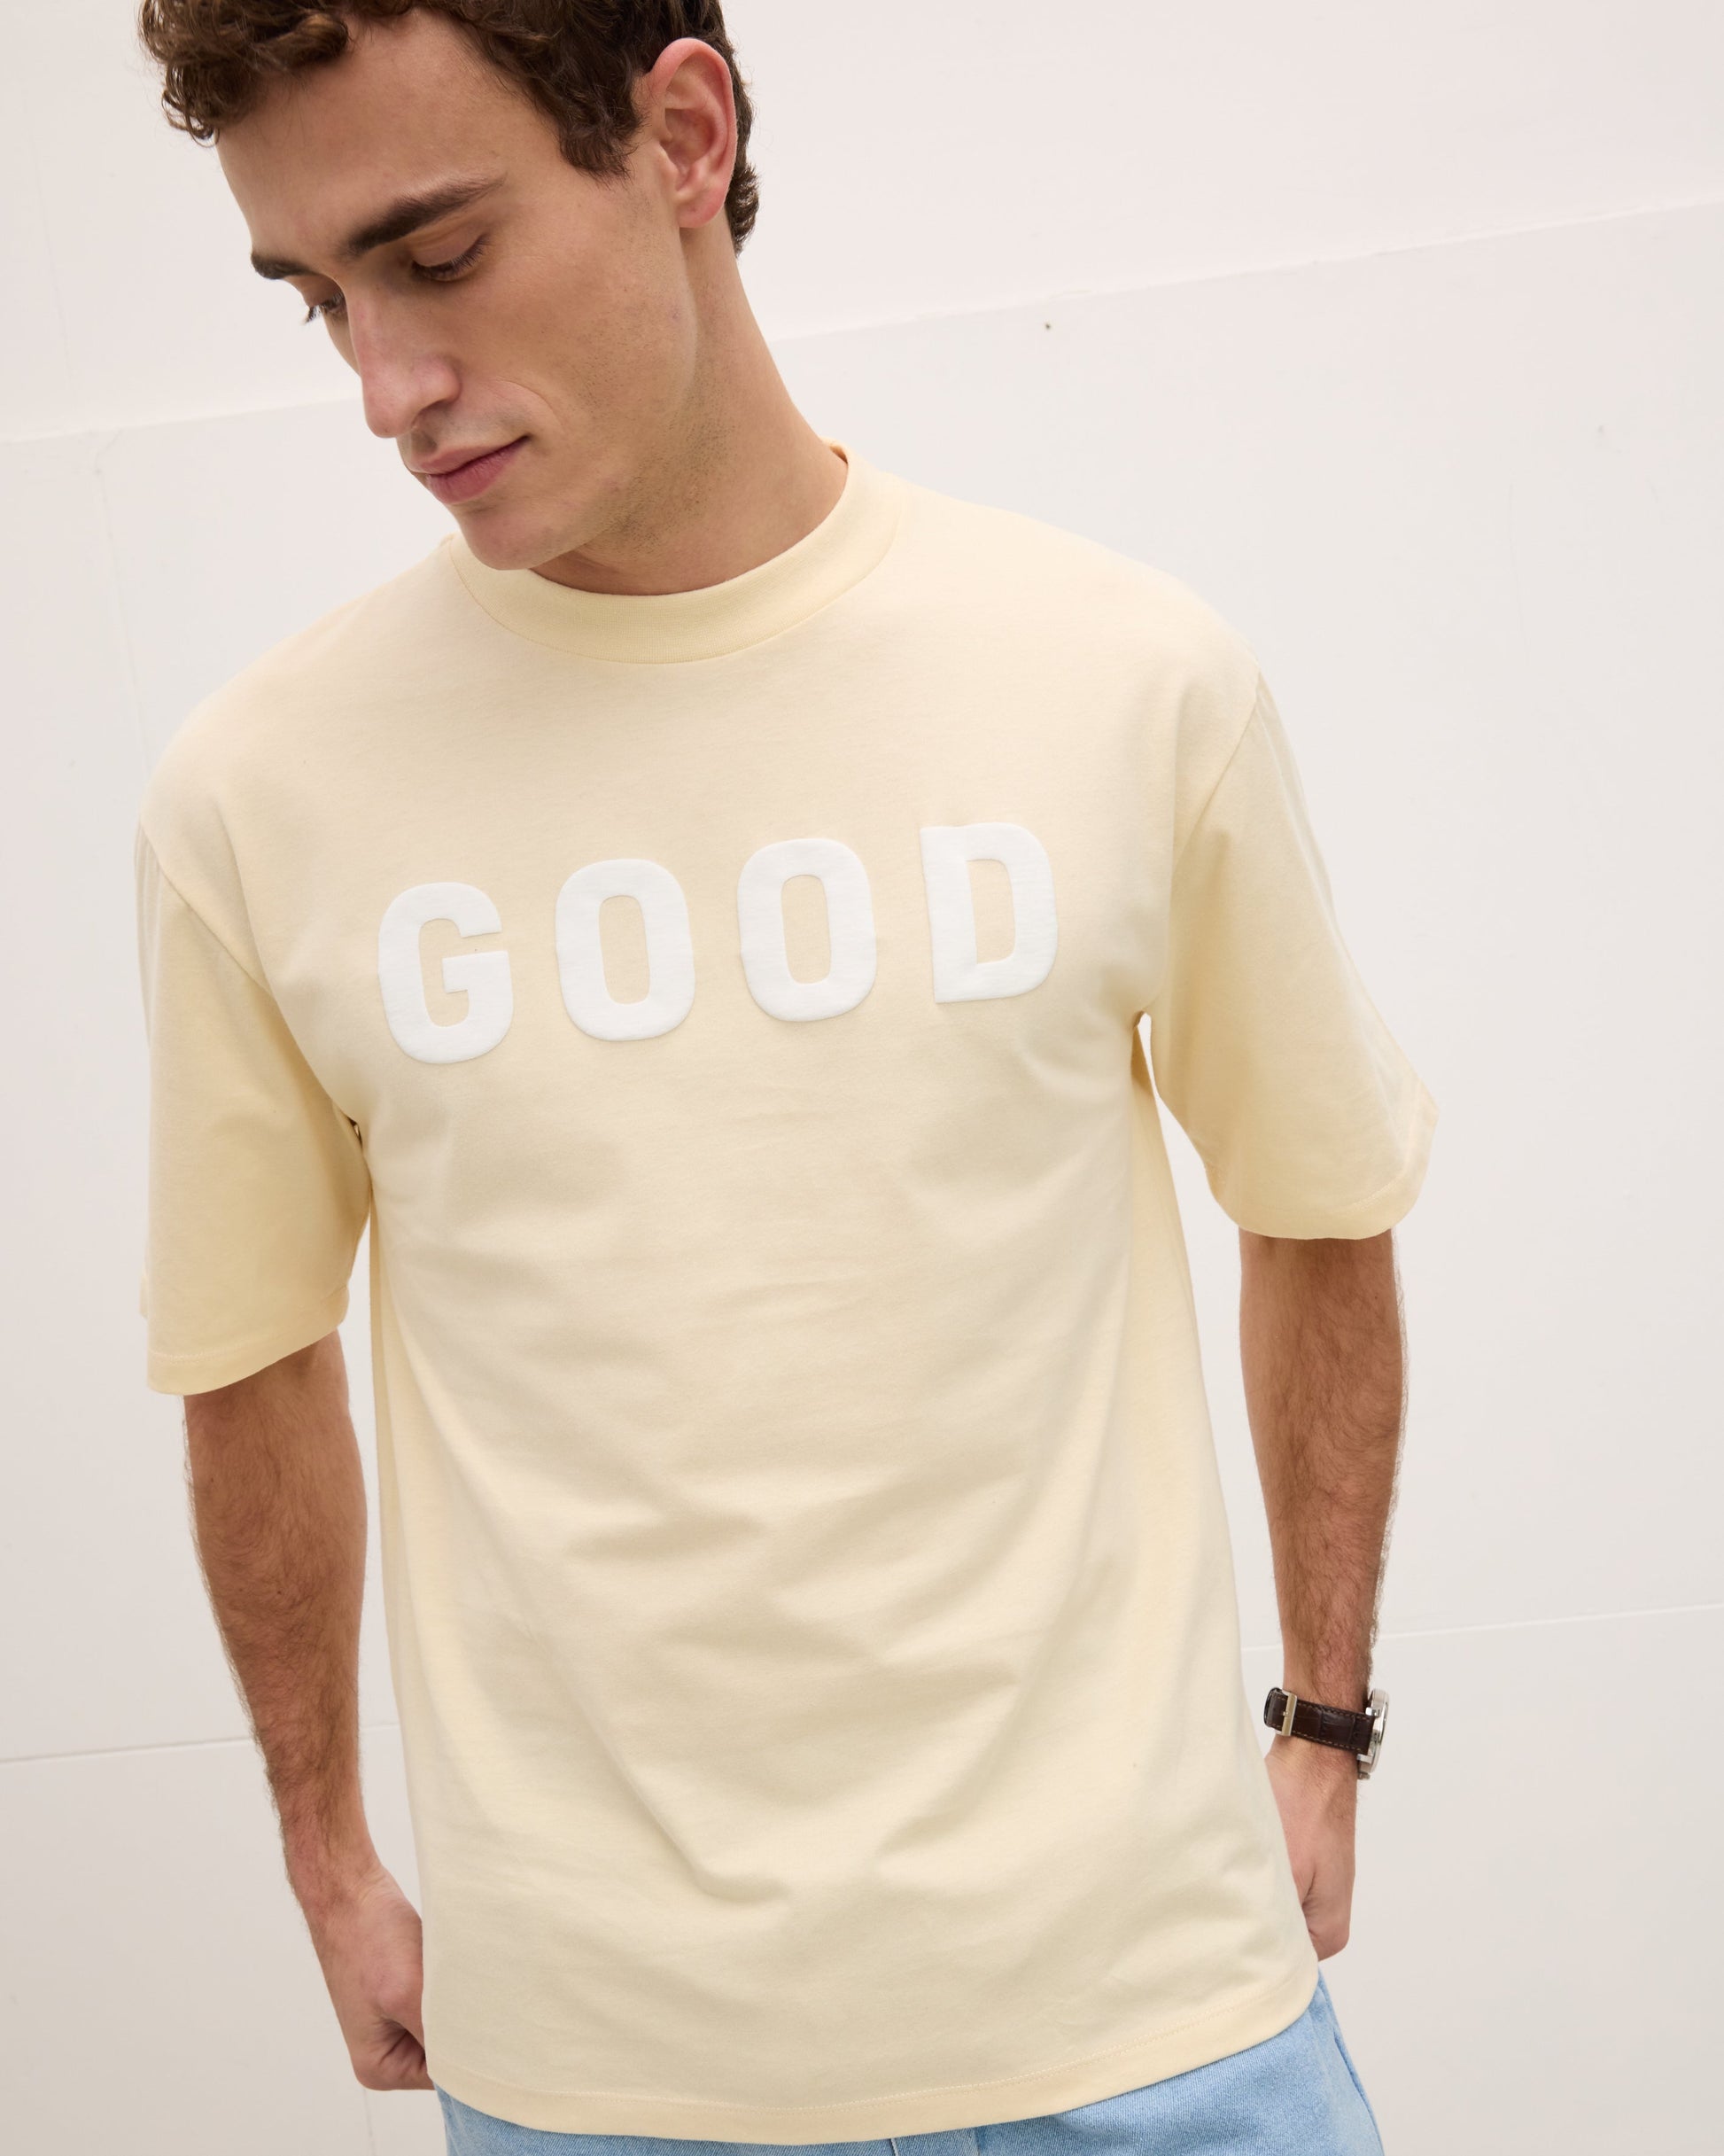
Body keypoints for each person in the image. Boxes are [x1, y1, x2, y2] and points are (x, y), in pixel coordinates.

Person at [129, 5, 1435, 2152]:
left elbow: (1315, 1198)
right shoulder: (260, 795)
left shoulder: (1119, 678)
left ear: (679, 133)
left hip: (1159, 2040)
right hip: (599, 2081)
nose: (383, 385)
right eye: (319, 299)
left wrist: (1325, 1723)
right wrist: (324, 1851)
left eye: (436, 257)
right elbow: (248, 1358)